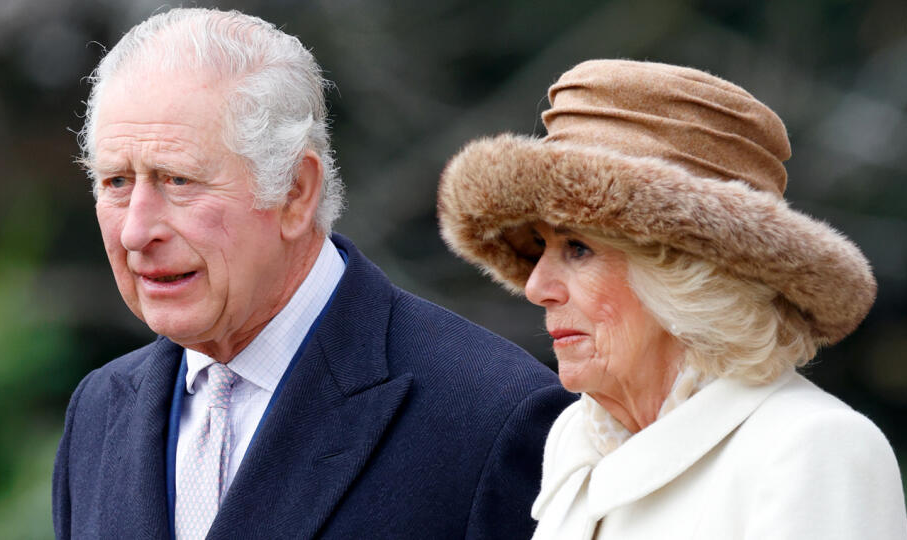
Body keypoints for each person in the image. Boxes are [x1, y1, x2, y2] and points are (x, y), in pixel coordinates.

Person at [52, 8, 575, 539]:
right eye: (116, 182)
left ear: (295, 192)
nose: (135, 232)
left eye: (179, 180)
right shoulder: (98, 412)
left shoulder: (492, 417)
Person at [438, 59, 907, 539]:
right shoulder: (578, 438)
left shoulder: (813, 447)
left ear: (687, 275)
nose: (536, 287)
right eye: (540, 246)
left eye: (578, 248)